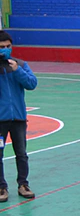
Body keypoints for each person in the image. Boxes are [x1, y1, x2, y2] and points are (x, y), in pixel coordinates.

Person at [0, 31, 38, 202]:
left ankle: (23, 184)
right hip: (0, 121)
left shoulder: (20, 64)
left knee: (21, 153)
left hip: (18, 119)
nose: (5, 49)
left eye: (8, 46)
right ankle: (1, 187)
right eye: (2, 47)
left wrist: (17, 71)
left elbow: (31, 83)